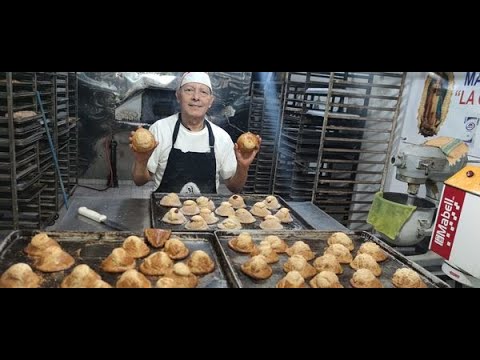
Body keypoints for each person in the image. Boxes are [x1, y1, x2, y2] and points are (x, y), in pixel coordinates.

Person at [130, 72, 261, 195]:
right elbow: (139, 181)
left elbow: (235, 187)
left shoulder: (221, 137)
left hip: (206, 215)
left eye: (203, 92)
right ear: (178, 96)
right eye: (189, 90)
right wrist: (141, 161)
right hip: (165, 212)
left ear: (210, 101)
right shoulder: (160, 129)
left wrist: (243, 167)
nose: (196, 97)